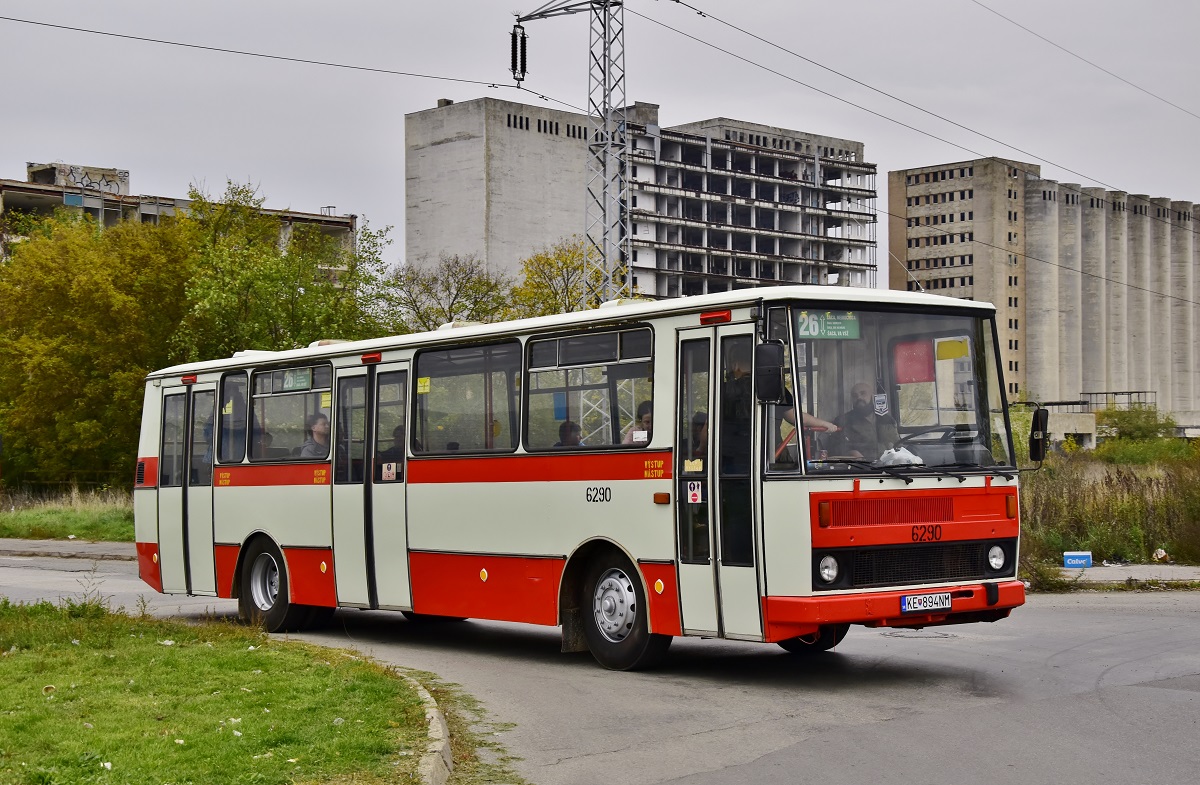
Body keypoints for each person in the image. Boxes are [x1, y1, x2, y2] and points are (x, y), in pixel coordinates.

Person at [828, 381, 899, 461]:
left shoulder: (887, 420)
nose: (859, 398)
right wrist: (850, 453)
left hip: (889, 468)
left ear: (872, 396)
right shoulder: (842, 421)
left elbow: (898, 447)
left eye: (863, 393)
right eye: (855, 396)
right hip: (859, 469)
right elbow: (833, 449)